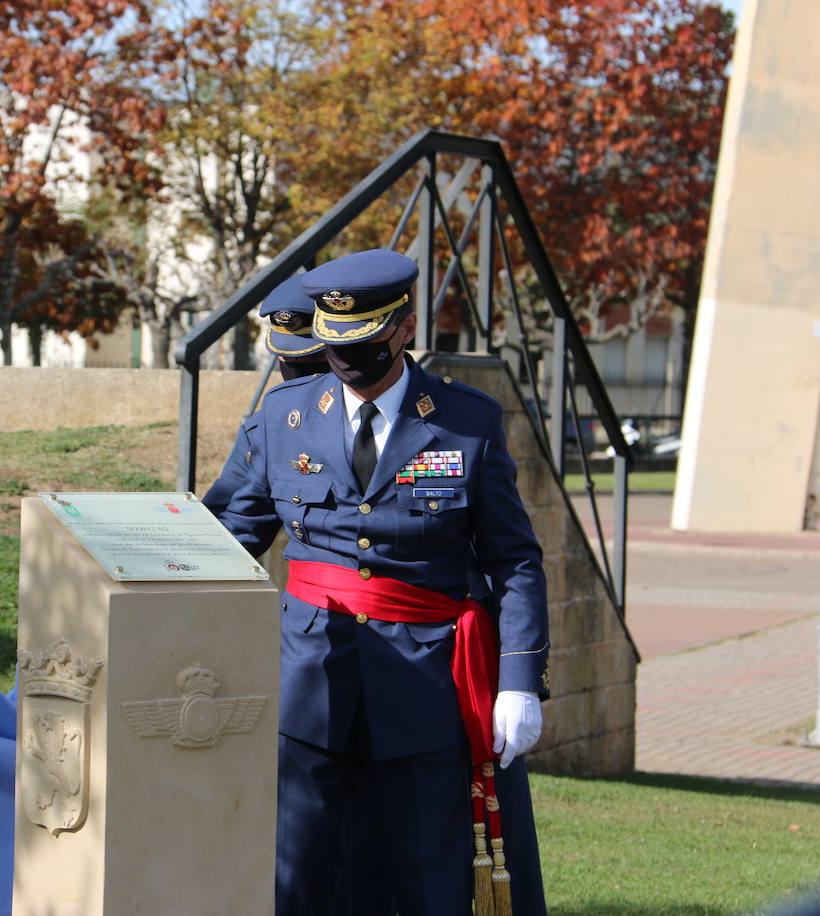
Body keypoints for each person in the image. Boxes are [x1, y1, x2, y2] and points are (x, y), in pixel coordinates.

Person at [217, 248, 548, 915]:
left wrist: (518, 680)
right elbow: (224, 537)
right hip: (310, 685)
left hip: (425, 687)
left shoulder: (467, 423)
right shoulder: (283, 421)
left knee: (429, 878)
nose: (350, 365)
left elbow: (513, 559)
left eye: (365, 344)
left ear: (403, 328)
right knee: (302, 878)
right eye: (336, 348)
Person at [202, 273, 329, 514]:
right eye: (285, 355)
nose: (293, 363)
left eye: (312, 355)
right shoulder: (266, 425)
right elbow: (227, 502)